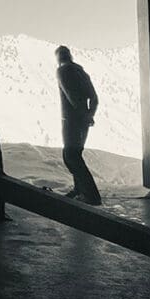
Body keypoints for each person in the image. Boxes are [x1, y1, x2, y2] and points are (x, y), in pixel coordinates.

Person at [55, 46, 101, 205]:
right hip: (84, 121)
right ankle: (79, 189)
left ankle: (91, 195)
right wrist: (89, 115)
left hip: (70, 120)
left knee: (70, 156)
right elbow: (95, 97)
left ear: (59, 58)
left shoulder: (62, 72)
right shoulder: (81, 72)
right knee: (76, 154)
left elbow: (71, 96)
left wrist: (81, 114)